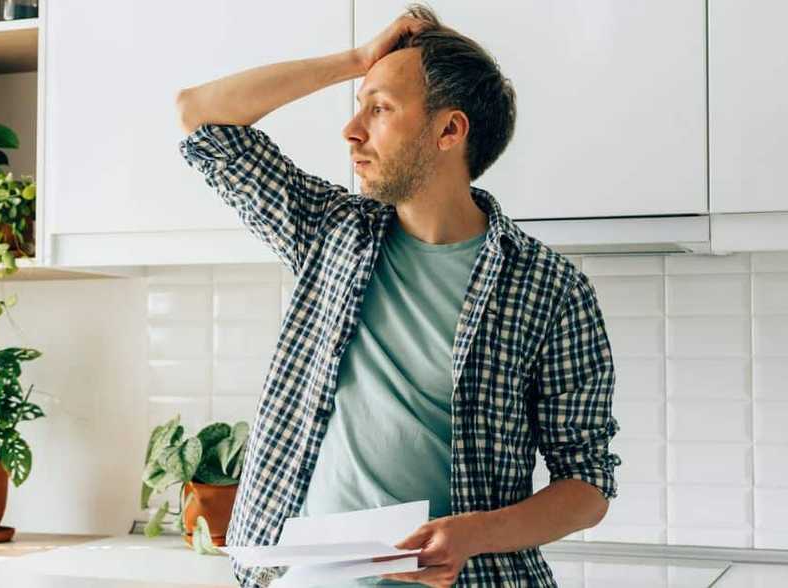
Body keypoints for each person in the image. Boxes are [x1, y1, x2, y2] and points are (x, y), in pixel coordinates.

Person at [176, 4, 622, 587]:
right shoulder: (328, 233)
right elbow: (200, 116)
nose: (352, 129)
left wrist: (474, 533)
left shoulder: (549, 289)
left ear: (449, 130)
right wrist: (359, 61)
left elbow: (587, 486)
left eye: (380, 108)